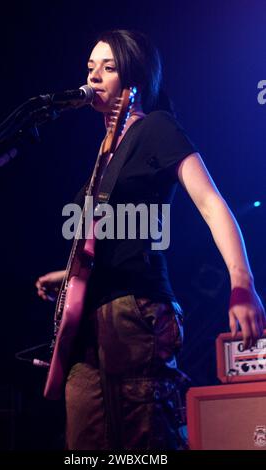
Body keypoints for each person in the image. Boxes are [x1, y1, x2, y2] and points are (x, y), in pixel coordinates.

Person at [35, 30, 266, 450]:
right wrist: (71, 277)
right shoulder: (104, 151)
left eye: (108, 67)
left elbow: (212, 204)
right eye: (90, 68)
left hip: (136, 313)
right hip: (90, 322)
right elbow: (107, 237)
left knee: (145, 448)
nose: (95, 76)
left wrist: (241, 284)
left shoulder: (156, 128)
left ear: (135, 77)